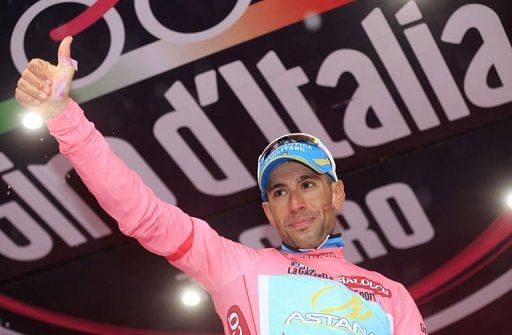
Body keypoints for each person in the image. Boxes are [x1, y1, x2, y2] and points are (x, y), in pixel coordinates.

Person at [15, 37, 427, 335]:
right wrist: (63, 116)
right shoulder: (239, 267)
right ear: (268, 212)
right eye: (279, 192)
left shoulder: (391, 295)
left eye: (308, 183)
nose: (296, 202)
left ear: (336, 193)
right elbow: (143, 215)